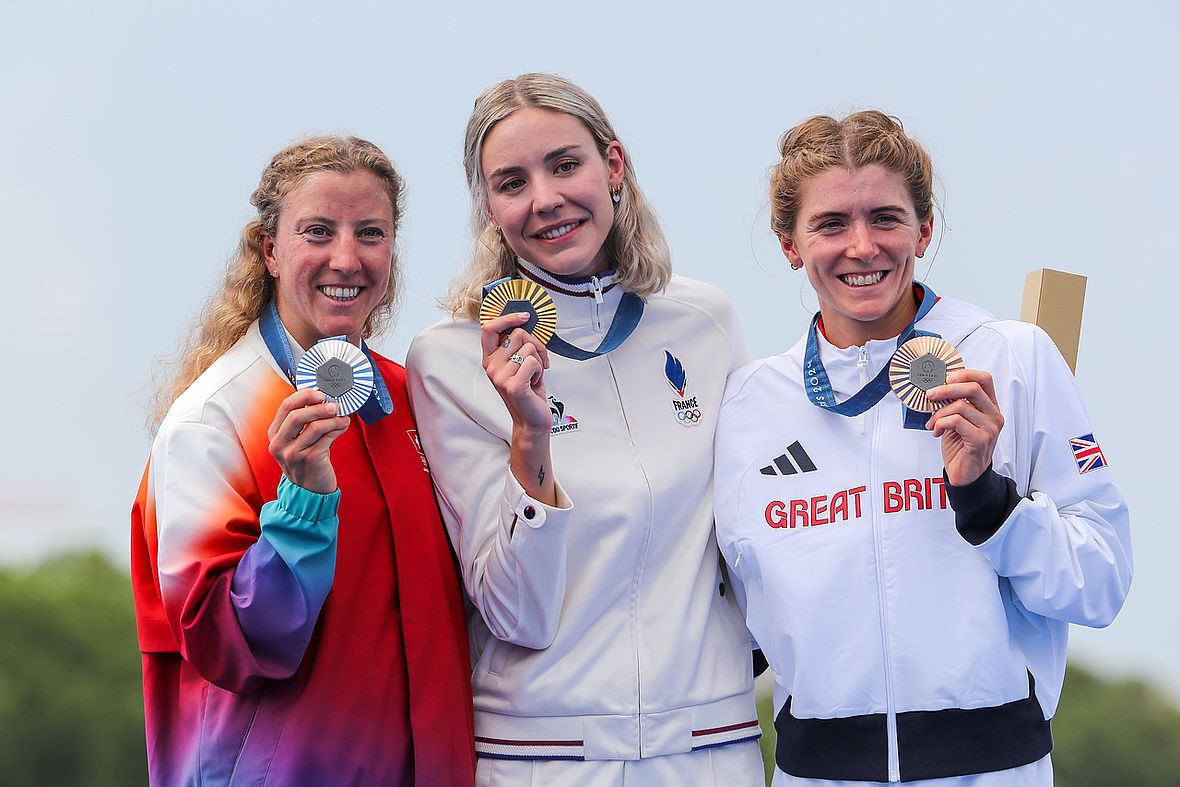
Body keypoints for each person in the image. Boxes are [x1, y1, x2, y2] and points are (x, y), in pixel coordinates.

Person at [714, 110, 1133, 785]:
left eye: (886, 217)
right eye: (830, 224)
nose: (862, 246)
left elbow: (1102, 583)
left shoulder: (1011, 356)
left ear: (924, 230)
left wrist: (988, 500)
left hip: (993, 768)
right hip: (816, 772)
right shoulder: (749, 402)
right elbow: (735, 623)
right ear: (790, 244)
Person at [405, 73, 765, 785]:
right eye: (512, 181)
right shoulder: (448, 359)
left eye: (566, 164)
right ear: (489, 207)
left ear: (615, 166)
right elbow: (518, 613)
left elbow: (753, 540)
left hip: (711, 746)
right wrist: (529, 440)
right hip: (542, 758)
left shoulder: (705, 321)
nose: (545, 199)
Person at [131, 136, 476, 786]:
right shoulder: (214, 419)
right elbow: (227, 644)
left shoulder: (412, 401)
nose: (345, 258)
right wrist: (304, 501)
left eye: (370, 232)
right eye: (318, 230)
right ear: (269, 249)